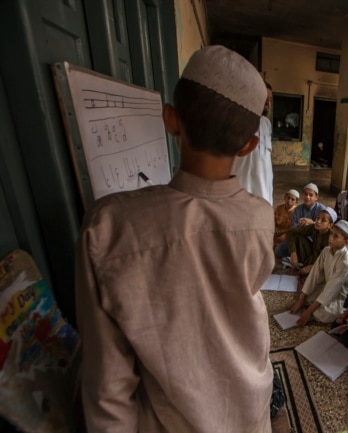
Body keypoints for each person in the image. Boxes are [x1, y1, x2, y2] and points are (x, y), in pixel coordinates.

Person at [76, 46, 276, 432]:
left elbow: (107, 385)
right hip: (249, 413)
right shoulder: (258, 217)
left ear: (171, 120)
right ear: (248, 146)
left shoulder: (108, 227)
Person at [290, 220, 348, 326]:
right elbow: (314, 274)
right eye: (331, 234)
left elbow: (332, 289)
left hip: (340, 295)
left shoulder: (346, 261)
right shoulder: (326, 250)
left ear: (346, 242)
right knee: (307, 298)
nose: (330, 238)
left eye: (336, 236)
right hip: (326, 287)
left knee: (323, 315)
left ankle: (316, 310)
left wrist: (308, 312)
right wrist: (302, 299)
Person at [232, 81, 274, 205]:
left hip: (265, 191)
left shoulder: (266, 123)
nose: (268, 103)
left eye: (270, 99)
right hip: (243, 189)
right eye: (264, 98)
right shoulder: (238, 122)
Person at [274, 183, 326, 258]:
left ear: (316, 197)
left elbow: (326, 228)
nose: (307, 197)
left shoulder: (322, 209)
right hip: (299, 238)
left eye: (311, 195)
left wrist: (312, 223)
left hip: (315, 240)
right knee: (279, 251)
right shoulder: (298, 209)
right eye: (305, 194)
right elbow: (293, 229)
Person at [285, 207, 336, 275]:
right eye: (318, 218)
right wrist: (293, 253)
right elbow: (290, 231)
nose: (318, 221)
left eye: (323, 220)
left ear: (330, 225)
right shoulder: (314, 227)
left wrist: (312, 267)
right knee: (298, 237)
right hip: (311, 256)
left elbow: (330, 260)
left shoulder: (331, 238)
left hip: (321, 263)